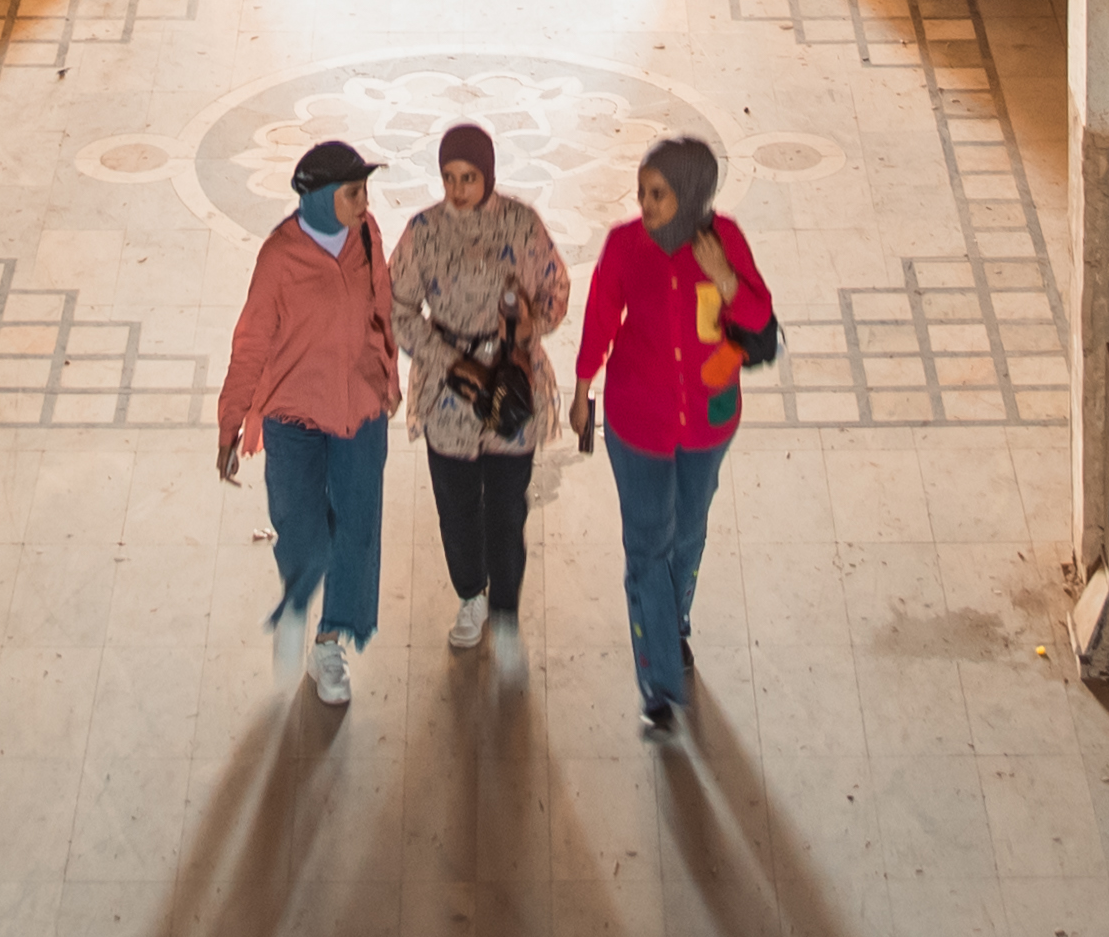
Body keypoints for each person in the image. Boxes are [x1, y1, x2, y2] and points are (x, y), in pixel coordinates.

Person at [566, 133, 773, 736]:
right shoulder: (625, 246)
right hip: (638, 424)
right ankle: (657, 680)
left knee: (689, 534)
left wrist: (725, 279)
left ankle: (672, 619)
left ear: (691, 193)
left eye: (658, 194)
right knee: (645, 549)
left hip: (708, 422)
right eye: (642, 192)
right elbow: (602, 312)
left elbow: (760, 319)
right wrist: (582, 389)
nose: (646, 204)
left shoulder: (723, 240)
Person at [217, 136, 400, 708]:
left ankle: (329, 643)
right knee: (301, 525)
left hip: (360, 411)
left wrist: (390, 379)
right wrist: (230, 422)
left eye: (365, 190)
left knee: (357, 528)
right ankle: (298, 600)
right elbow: (249, 343)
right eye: (352, 193)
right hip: (293, 413)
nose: (363, 203)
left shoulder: (367, 237)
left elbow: (383, 308)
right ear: (320, 198)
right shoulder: (279, 258)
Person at [388, 118, 571, 658]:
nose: (458, 190)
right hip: (448, 391)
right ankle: (471, 592)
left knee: (508, 506)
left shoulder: (521, 224)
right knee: (456, 503)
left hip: (512, 379)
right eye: (449, 177)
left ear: (488, 174)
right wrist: (447, 358)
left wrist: (528, 326)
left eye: (469, 177)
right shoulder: (423, 232)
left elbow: (555, 288)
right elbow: (397, 309)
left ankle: (506, 607)